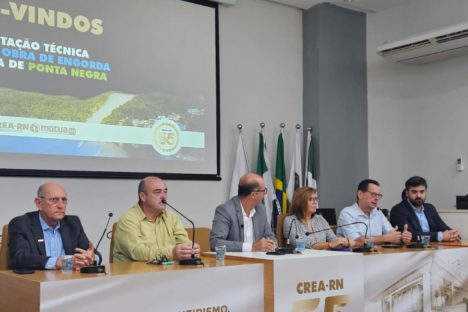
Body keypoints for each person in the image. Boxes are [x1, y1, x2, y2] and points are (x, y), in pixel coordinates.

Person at [113, 176, 200, 262]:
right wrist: (171, 253)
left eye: (165, 192)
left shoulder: (171, 218)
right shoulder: (128, 219)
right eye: (157, 192)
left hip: (165, 273)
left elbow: (183, 242)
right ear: (143, 196)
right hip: (133, 274)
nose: (163, 196)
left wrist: (190, 250)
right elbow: (137, 252)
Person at [8, 182, 94, 270]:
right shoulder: (22, 224)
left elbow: (90, 252)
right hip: (37, 281)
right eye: (54, 200)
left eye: (64, 200)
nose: (61, 205)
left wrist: (91, 258)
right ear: (39, 203)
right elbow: (19, 258)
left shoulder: (72, 223)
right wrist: (56, 262)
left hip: (69, 279)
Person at [210, 172, 277, 252]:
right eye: (264, 191)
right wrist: (252, 247)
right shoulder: (225, 210)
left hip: (260, 261)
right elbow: (216, 243)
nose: (264, 194)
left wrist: (272, 245)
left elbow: (270, 237)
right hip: (235, 262)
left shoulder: (261, 210)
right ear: (253, 195)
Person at [337, 179, 412, 246]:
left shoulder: (378, 212)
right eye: (373, 194)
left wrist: (402, 238)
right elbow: (356, 241)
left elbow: (392, 236)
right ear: (360, 194)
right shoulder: (347, 213)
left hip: (378, 255)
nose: (376, 198)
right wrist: (385, 238)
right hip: (355, 257)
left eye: (379, 195)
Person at [390, 176, 460, 242]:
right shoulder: (398, 210)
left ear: (425, 192)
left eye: (422, 191)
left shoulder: (430, 208)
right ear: (407, 193)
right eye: (414, 192)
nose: (418, 195)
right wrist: (440, 236)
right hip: (413, 250)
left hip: (433, 248)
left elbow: (444, 228)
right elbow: (412, 236)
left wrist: (453, 234)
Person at [283, 187, 357, 250]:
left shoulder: (320, 219)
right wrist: (329, 245)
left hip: (323, 258)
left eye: (315, 199)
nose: (315, 202)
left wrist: (344, 242)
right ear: (300, 202)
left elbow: (333, 239)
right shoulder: (290, 221)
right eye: (310, 199)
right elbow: (300, 244)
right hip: (300, 261)